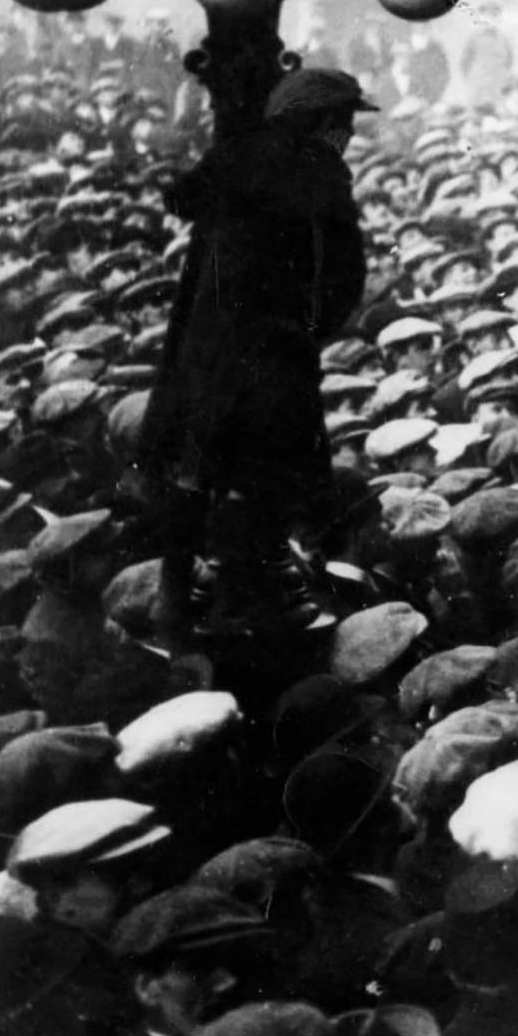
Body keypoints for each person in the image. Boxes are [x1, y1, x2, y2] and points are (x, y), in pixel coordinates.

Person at [134, 66, 374, 633]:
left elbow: (183, 198)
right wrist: (313, 327)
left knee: (196, 470)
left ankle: (177, 592)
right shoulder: (316, 171)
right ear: (319, 120)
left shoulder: (236, 158)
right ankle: (249, 595)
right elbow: (340, 272)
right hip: (272, 353)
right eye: (343, 121)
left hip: (205, 349)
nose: (350, 135)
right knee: (268, 477)